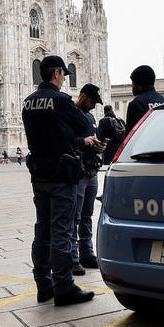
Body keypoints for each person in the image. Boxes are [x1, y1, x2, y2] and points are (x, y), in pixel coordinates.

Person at [22, 55, 104, 306]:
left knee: (42, 230)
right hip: (62, 173)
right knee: (62, 230)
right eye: (63, 74)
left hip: (39, 174)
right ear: (57, 73)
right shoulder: (61, 101)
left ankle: (43, 284)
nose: (64, 79)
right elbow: (84, 127)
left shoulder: (28, 102)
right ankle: (64, 286)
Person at [71, 83, 103, 274]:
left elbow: (94, 137)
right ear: (84, 97)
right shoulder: (71, 114)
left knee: (87, 215)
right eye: (92, 101)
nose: (93, 105)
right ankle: (73, 257)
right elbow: (65, 140)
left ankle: (87, 252)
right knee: (75, 216)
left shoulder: (90, 117)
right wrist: (83, 142)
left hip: (92, 171)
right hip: (78, 171)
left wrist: (99, 146)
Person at [125, 65, 164, 132]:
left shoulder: (136, 104)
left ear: (138, 84)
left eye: (133, 82)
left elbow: (130, 135)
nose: (132, 85)